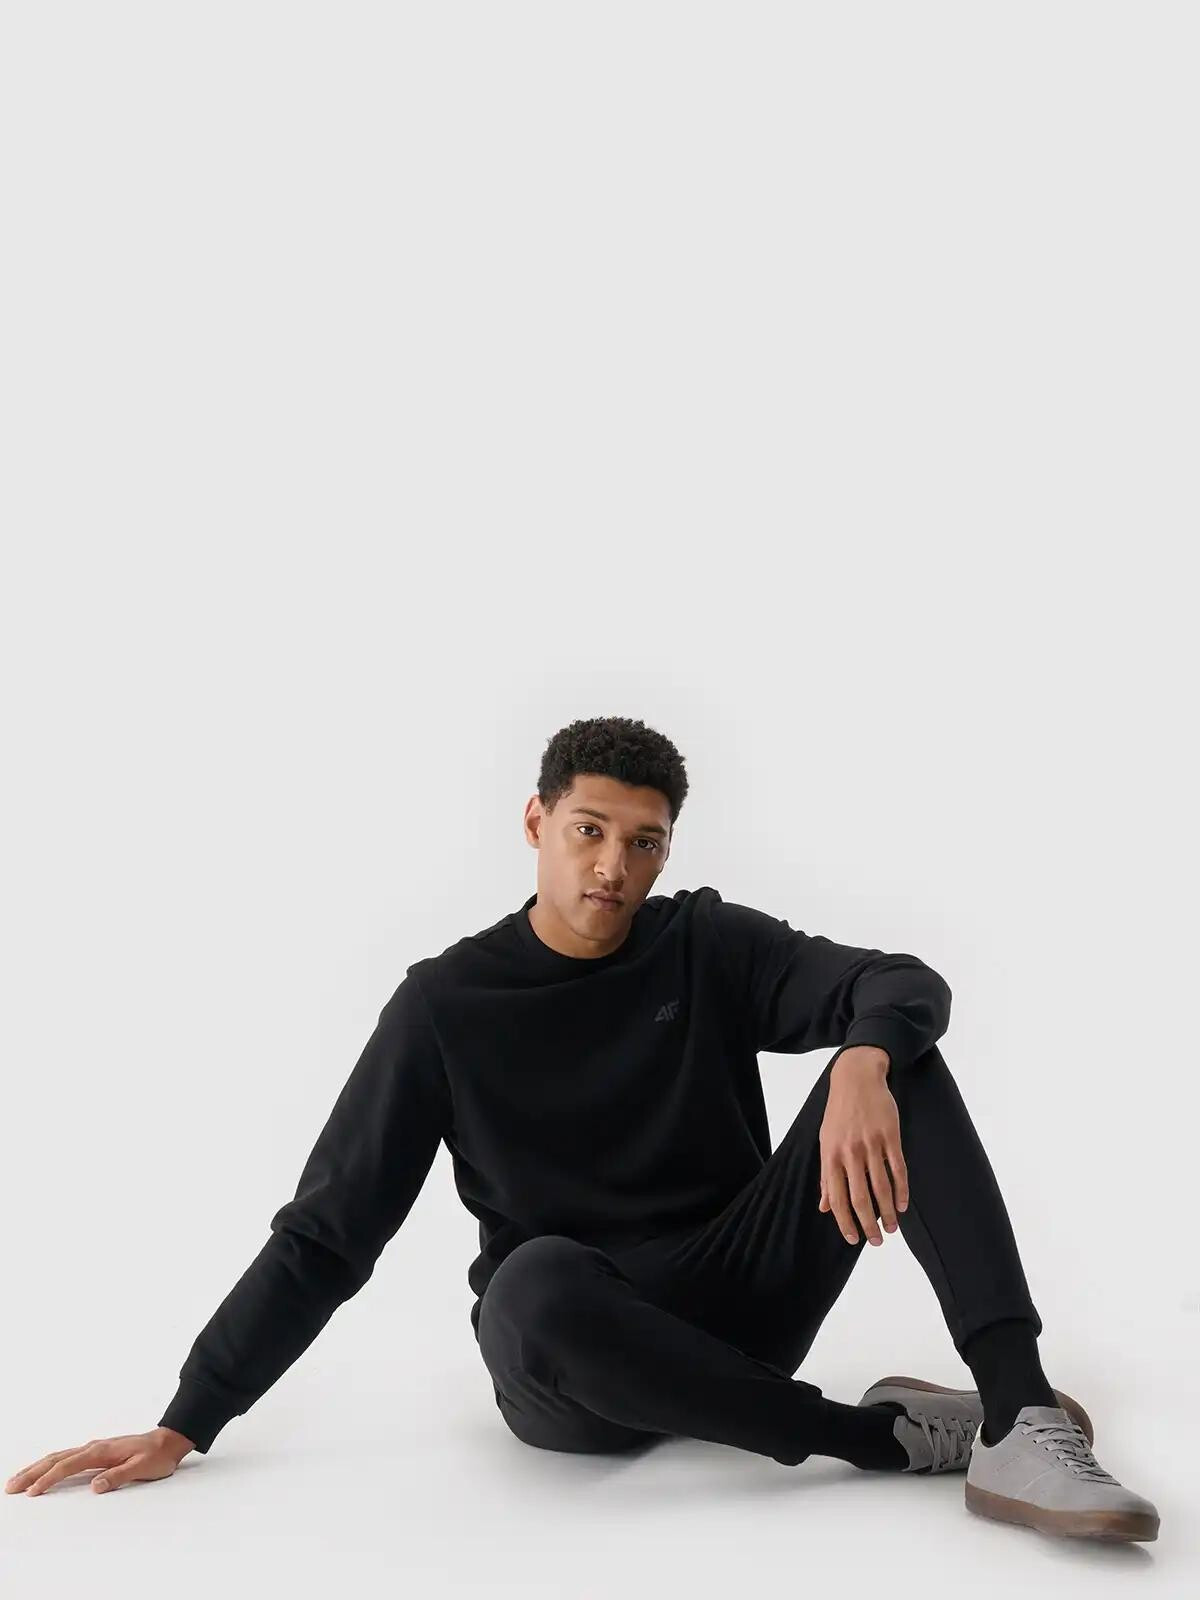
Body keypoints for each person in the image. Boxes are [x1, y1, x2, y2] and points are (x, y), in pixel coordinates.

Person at [5, 716, 1160, 1541]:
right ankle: (881, 1440)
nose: (614, 867)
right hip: (573, 1367)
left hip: (736, 1309)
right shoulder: (446, 1006)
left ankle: (1016, 1413)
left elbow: (900, 980)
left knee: (901, 1054)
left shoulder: (704, 942)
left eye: (644, 841)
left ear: (668, 849)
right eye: (590, 830)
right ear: (537, 821)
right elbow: (326, 1234)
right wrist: (188, 1419)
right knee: (532, 1282)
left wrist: (862, 1056)